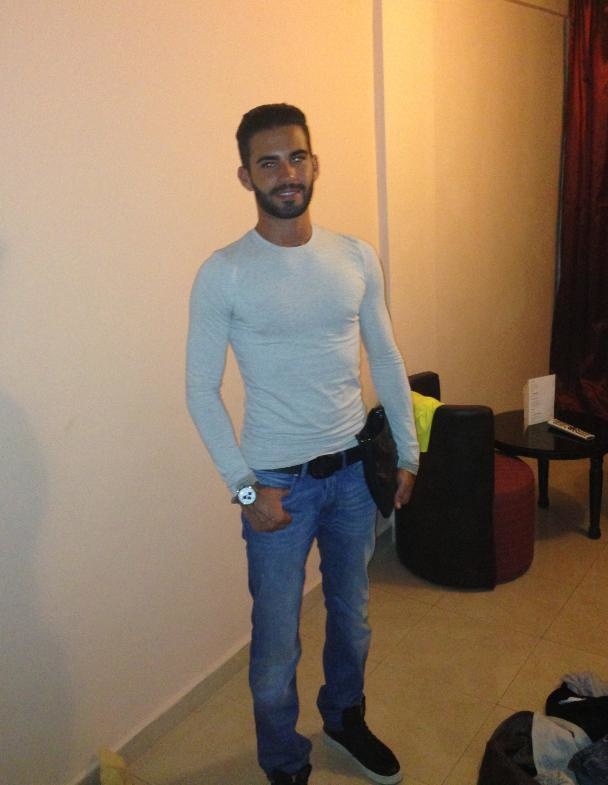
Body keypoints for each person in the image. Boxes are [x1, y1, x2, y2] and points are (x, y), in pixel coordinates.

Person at [186, 104, 419, 785]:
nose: (286, 173)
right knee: (275, 646)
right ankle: (284, 759)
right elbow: (200, 390)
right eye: (268, 162)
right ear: (245, 176)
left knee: (354, 617)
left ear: (314, 163)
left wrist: (408, 451)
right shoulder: (225, 271)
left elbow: (386, 356)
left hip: (353, 475)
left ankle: (344, 717)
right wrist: (245, 488)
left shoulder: (355, 257)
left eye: (296, 157)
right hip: (276, 484)